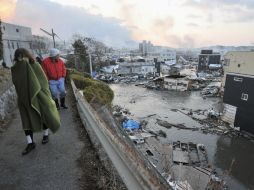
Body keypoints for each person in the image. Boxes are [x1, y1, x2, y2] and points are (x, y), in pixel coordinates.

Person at [11, 48, 61, 155]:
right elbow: (17, 83)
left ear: (27, 55)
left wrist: (43, 95)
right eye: (19, 57)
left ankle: (46, 134)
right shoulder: (15, 69)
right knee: (26, 120)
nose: (21, 59)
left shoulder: (35, 65)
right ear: (16, 57)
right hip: (23, 98)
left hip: (38, 95)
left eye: (22, 56)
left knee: (42, 115)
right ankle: (30, 143)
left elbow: (43, 82)